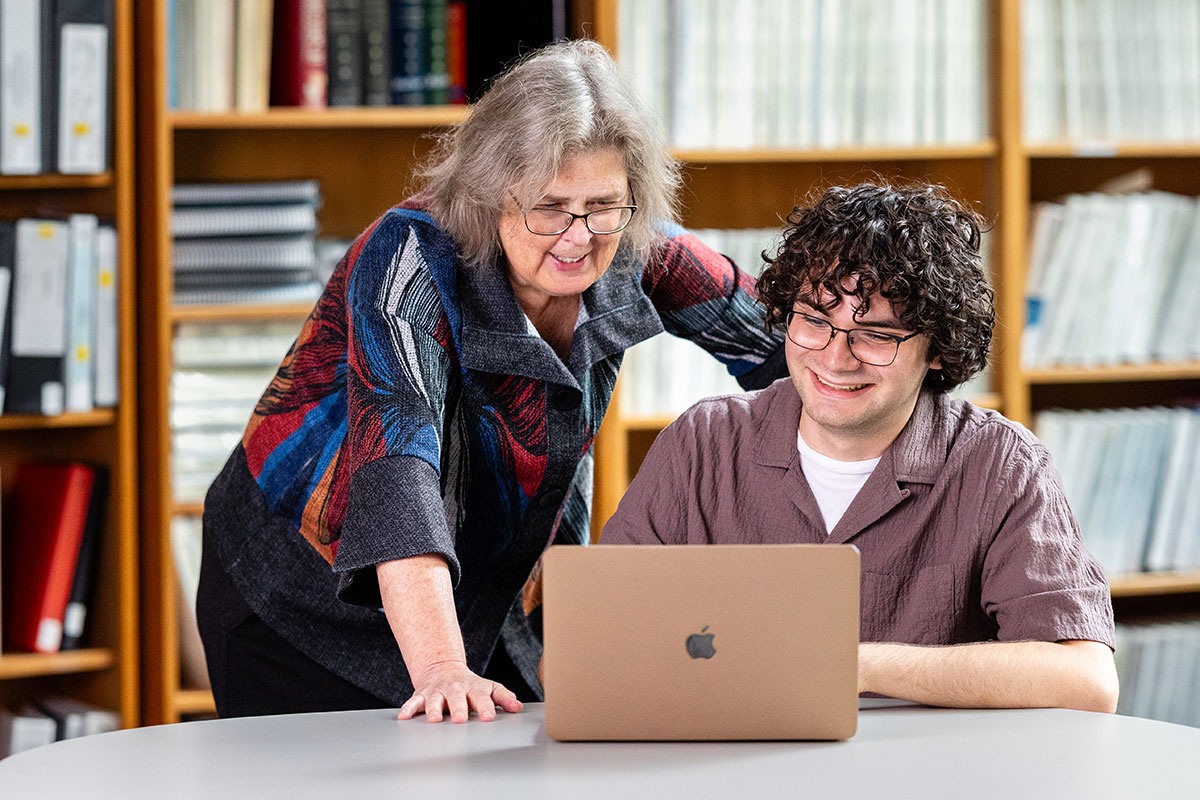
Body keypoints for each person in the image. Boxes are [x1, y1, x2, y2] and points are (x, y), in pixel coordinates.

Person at [197, 40, 785, 723]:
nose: (578, 236)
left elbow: (791, 343)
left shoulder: (633, 243)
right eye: (548, 207)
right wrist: (445, 670)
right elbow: (399, 474)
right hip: (302, 607)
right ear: (489, 194)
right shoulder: (409, 258)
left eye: (603, 205)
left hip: (490, 591)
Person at [601, 182, 1119, 713]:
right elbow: (582, 654)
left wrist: (854, 665)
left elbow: (1085, 681)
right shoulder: (701, 444)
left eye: (874, 335)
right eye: (814, 321)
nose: (836, 358)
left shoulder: (1001, 465)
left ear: (938, 348)